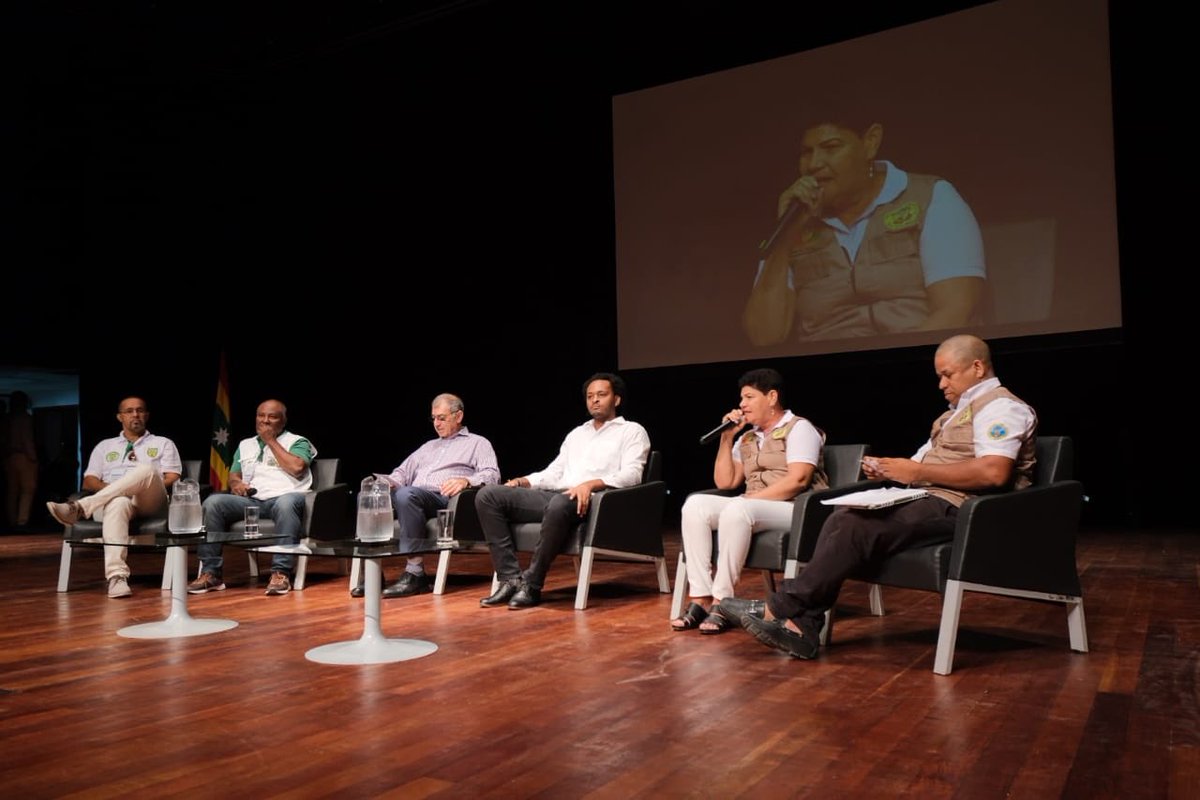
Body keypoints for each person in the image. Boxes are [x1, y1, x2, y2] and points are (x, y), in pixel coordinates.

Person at [737, 334, 1036, 660]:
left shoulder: (1002, 407)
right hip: (930, 497)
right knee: (842, 515)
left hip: (967, 508)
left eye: (947, 374)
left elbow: (994, 472)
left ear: (977, 367)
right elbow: (922, 463)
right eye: (939, 376)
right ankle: (803, 627)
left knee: (855, 525)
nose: (941, 384)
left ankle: (781, 607)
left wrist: (916, 472)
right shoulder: (952, 414)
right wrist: (889, 470)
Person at [743, 113, 986, 346]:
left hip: (919, 357)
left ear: (870, 142)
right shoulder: (794, 221)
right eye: (807, 153)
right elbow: (764, 336)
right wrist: (785, 238)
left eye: (831, 148)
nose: (814, 164)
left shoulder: (930, 196)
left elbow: (955, 312)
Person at [476, 372, 651, 610]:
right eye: (590, 396)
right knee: (489, 495)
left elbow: (632, 474)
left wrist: (590, 484)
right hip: (560, 497)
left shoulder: (631, 431)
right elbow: (555, 472)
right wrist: (523, 481)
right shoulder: (577, 434)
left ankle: (532, 583)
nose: (595, 400)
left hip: (596, 502)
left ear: (617, 399)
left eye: (601, 395)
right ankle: (509, 579)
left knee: (560, 501)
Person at [672, 367, 827, 634]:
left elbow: (799, 480)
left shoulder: (799, 428)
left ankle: (722, 602)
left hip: (797, 508)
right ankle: (701, 597)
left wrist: (751, 499)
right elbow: (726, 482)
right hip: (755, 506)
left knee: (738, 508)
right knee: (695, 505)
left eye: (749, 397)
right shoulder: (747, 437)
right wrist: (726, 437)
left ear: (772, 397)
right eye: (741, 398)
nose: (742, 404)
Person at [353, 393, 500, 598]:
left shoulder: (477, 443)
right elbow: (401, 474)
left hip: (444, 499)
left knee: (407, 495)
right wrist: (386, 482)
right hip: (412, 495)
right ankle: (373, 573)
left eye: (442, 418)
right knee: (368, 495)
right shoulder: (428, 447)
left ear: (458, 416)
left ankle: (415, 574)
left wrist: (466, 480)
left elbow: (492, 474)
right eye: (434, 419)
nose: (436, 424)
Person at [45, 397, 182, 598]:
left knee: (146, 470)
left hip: (149, 502)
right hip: (112, 502)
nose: (135, 415)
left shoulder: (163, 443)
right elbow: (89, 481)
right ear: (120, 417)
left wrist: (134, 485)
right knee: (118, 502)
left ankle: (80, 508)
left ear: (147, 415)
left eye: (140, 410)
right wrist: (120, 490)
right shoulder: (104, 446)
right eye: (129, 411)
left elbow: (172, 477)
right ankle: (117, 577)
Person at [188, 399, 316, 596]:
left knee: (286, 503)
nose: (265, 421)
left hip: (286, 497)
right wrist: (237, 484)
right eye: (261, 416)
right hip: (253, 500)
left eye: (272, 417)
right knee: (213, 502)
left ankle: (280, 572)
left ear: (283, 420)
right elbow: (234, 475)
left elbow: (297, 468)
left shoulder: (298, 441)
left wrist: (270, 441)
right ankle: (211, 573)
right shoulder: (245, 445)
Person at [4, 391, 39, 530]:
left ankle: (12, 520)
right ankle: (22, 521)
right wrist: (33, 458)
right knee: (28, 489)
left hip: (8, 457)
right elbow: (27, 439)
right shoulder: (25, 418)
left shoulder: (7, 418)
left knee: (12, 490)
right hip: (24, 456)